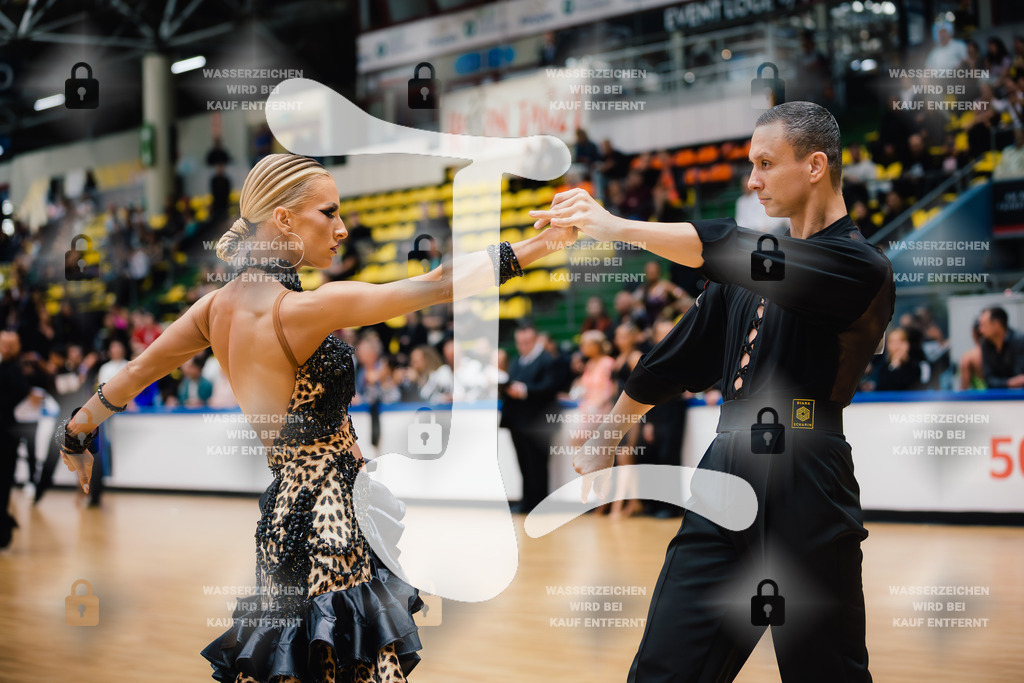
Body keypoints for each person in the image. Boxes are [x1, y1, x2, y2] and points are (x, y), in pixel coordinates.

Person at [53, 153, 579, 682]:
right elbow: (436, 284)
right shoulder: (299, 310)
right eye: (330, 213)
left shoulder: (213, 309)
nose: (343, 228)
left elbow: (135, 373)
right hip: (331, 513)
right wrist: (544, 244)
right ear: (283, 219)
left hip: (281, 516)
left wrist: (76, 433)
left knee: (299, 661)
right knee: (345, 661)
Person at [531, 101, 893, 682]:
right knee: (665, 668)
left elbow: (741, 252)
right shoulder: (743, 276)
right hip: (725, 470)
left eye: (767, 163)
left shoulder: (861, 267)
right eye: (752, 164)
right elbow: (676, 357)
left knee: (825, 671)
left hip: (808, 477)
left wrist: (616, 227)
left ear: (817, 165)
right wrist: (608, 434)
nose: (753, 179)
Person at [500, 321, 563, 513]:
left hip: (539, 422)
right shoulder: (517, 361)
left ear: (535, 339)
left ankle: (539, 503)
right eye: (519, 342)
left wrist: (525, 390)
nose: (522, 346)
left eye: (526, 342)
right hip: (518, 422)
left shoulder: (547, 360)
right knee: (524, 464)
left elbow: (551, 387)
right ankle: (527, 501)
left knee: (538, 465)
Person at [977, 306, 1024, 389]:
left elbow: (1020, 379)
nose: (980, 330)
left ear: (997, 325)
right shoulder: (985, 343)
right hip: (996, 397)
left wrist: (1001, 382)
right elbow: (988, 380)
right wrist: (1008, 382)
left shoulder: (1019, 341)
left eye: (983, 325)